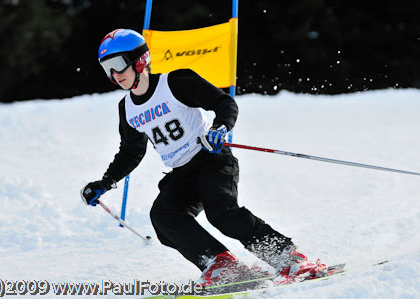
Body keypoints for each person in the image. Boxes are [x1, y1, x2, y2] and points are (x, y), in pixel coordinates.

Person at [81, 29, 327, 286]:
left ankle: (289, 257)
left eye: (118, 64)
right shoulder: (127, 108)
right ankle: (221, 264)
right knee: (164, 216)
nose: (114, 74)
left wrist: (219, 128)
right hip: (182, 172)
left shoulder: (175, 82)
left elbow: (224, 104)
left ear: (139, 59)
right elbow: (131, 151)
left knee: (222, 213)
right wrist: (105, 182)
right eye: (107, 68)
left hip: (211, 159)